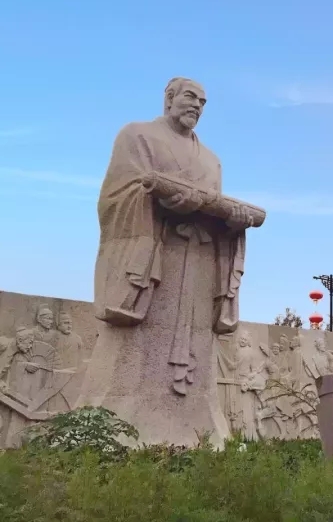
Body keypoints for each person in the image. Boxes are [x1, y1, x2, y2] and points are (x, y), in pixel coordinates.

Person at [79, 77, 254, 445]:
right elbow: (116, 197)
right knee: (135, 349)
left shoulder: (211, 160)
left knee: (196, 349)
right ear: (170, 98)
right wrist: (163, 198)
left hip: (199, 263)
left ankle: (200, 430)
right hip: (154, 261)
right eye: (191, 97)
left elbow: (215, 210)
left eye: (203, 102)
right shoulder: (137, 136)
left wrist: (233, 224)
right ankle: (120, 425)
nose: (198, 106)